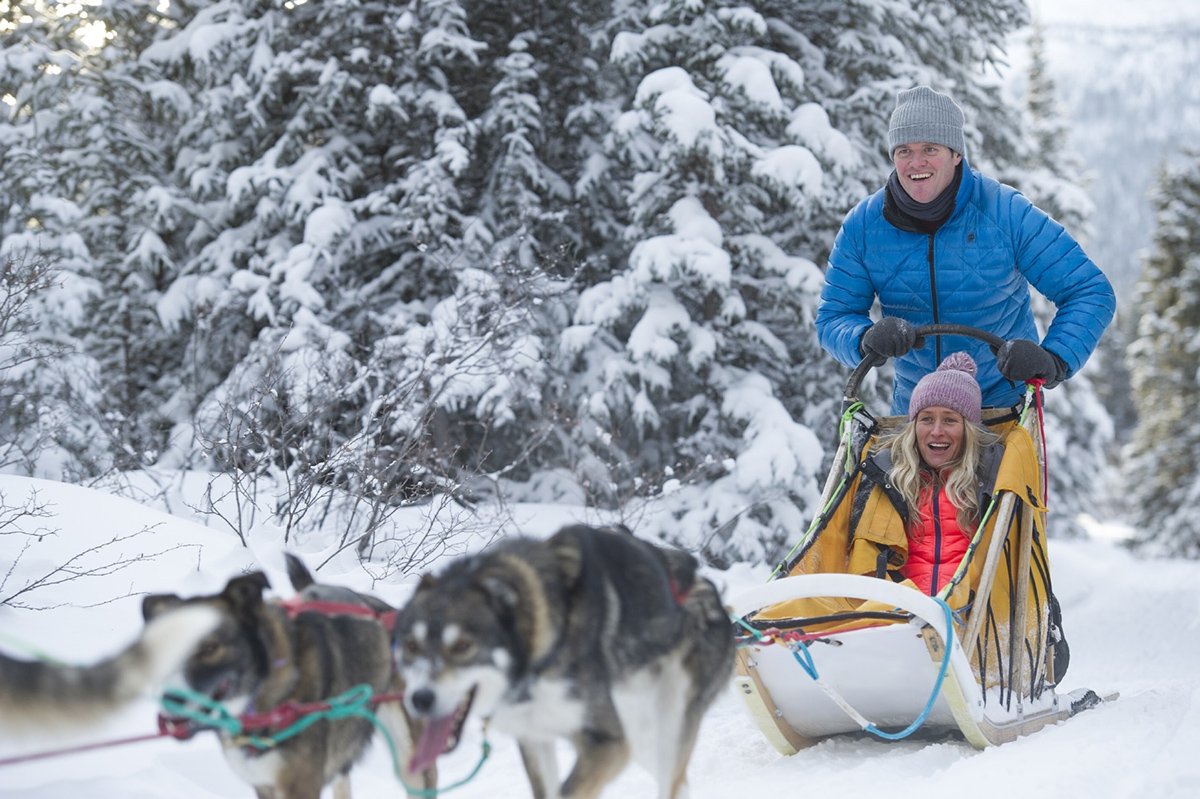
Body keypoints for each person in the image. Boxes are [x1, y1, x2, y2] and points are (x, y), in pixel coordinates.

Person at [815, 85, 1117, 414]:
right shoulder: (864, 226)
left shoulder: (1006, 212)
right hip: (919, 416)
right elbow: (834, 317)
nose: (916, 162)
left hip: (1003, 411)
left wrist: (1054, 357)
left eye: (930, 148)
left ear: (956, 153)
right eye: (904, 150)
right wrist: (864, 338)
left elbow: (1089, 290)